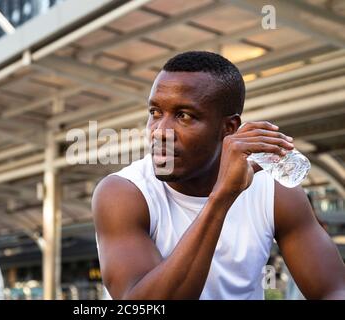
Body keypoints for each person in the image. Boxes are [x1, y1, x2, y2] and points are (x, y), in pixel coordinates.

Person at [92, 51, 345, 300]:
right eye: (155, 113)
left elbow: (333, 289)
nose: (160, 131)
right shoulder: (122, 193)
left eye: (183, 116)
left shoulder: (274, 191)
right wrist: (222, 196)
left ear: (229, 128)